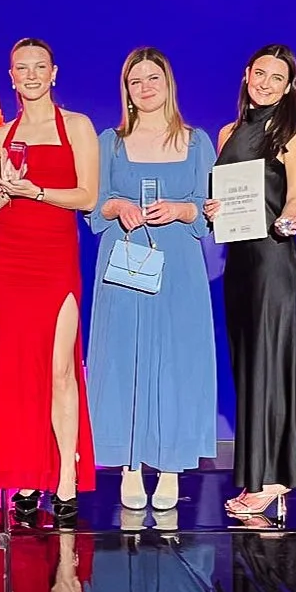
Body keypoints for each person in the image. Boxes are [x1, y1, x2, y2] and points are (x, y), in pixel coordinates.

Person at [0, 38, 99, 526]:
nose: (30, 75)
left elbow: (88, 197)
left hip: (54, 257)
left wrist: (37, 190)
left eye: (38, 67)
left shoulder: (77, 126)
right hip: (8, 259)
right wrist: (7, 190)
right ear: (11, 76)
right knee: (20, 370)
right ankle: (27, 474)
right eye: (21, 68)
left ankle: (64, 474)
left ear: (53, 73)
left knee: (60, 368)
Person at [86, 48, 217, 511]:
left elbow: (210, 210)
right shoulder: (110, 142)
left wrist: (183, 209)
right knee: (125, 359)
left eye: (152, 78)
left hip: (179, 265)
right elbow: (93, 204)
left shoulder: (197, 142)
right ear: (126, 89)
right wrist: (118, 206)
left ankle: (171, 465)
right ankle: (129, 465)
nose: (145, 87)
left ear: (168, 83)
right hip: (124, 264)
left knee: (176, 363)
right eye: (135, 80)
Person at [204, 44, 296, 521]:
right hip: (240, 264)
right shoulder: (228, 133)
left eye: (277, 78)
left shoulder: (291, 131)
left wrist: (288, 220)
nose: (266, 83)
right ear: (247, 74)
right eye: (260, 73)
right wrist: (213, 210)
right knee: (248, 370)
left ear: (288, 88)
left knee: (270, 367)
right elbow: (221, 200)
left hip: (274, 261)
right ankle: (256, 476)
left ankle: (273, 479)